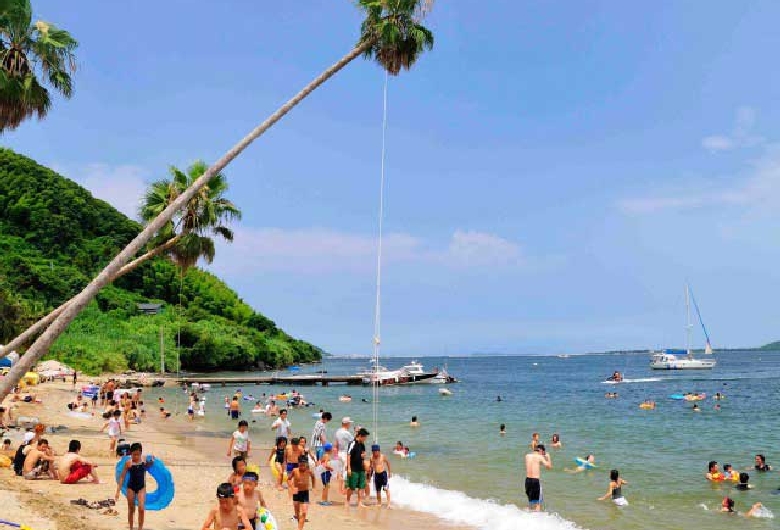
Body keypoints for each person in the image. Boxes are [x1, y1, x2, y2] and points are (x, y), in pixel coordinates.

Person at [115, 443, 154, 530]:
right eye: (134, 454)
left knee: (141, 508)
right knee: (131, 508)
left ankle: (140, 528)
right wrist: (118, 491)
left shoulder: (143, 460)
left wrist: (152, 460)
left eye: (138, 454)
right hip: (131, 487)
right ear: (131, 453)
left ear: (141, 453)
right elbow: (122, 477)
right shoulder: (128, 463)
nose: (136, 456)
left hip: (141, 487)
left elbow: (148, 465)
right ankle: (131, 527)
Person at [288, 456, 316, 530]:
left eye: (304, 465)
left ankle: (300, 528)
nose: (302, 467)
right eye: (300, 465)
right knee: (297, 513)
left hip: (305, 492)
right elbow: (289, 479)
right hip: (296, 491)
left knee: (304, 512)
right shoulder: (295, 470)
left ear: (306, 464)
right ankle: (298, 522)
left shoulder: (309, 471)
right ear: (298, 464)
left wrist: (313, 487)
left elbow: (313, 477)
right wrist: (291, 486)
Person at [346, 427, 369, 509]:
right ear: (360, 436)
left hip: (361, 468)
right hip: (353, 468)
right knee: (351, 487)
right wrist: (348, 468)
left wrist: (364, 458)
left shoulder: (362, 444)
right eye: (365, 437)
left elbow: (363, 454)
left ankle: (359, 502)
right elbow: (348, 455)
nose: (365, 439)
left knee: (361, 486)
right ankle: (347, 501)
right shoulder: (352, 443)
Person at [524, 444, 552, 511]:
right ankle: (537, 519)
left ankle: (527, 515)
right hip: (535, 481)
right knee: (538, 504)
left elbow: (534, 463)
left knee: (530, 502)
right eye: (543, 453)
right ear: (541, 451)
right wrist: (548, 457)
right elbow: (549, 467)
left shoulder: (527, 456)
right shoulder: (540, 457)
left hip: (527, 481)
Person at [334, 417, 354, 495]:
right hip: (345, 453)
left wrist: (335, 455)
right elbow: (354, 442)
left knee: (340, 472)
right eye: (349, 423)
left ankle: (340, 490)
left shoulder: (338, 431)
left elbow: (336, 444)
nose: (350, 425)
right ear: (347, 424)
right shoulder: (346, 433)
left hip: (339, 453)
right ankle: (344, 490)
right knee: (346, 472)